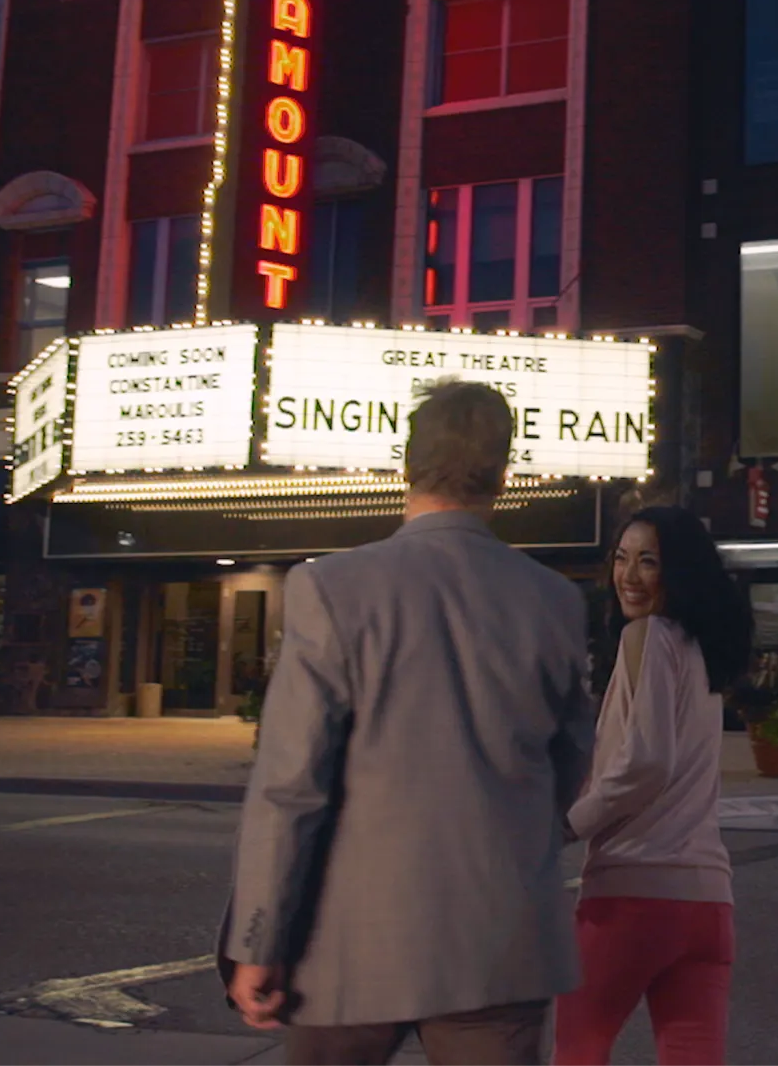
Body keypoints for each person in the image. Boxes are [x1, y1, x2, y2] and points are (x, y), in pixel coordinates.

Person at [221, 381, 596, 1066]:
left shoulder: (331, 588)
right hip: (501, 935)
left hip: (352, 940)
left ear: (405, 466)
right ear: (504, 476)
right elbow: (573, 764)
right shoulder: (554, 600)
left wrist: (258, 941)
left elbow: (291, 785)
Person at [554, 506, 754, 1066]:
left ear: (678, 572)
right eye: (621, 558)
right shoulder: (703, 652)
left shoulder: (648, 636)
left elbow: (646, 762)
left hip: (634, 892)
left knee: (579, 1050)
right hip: (709, 903)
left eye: (649, 562)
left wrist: (569, 825)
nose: (629, 576)